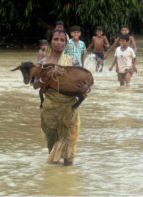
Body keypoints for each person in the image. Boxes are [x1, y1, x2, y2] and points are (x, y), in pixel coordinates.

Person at [40, 29, 80, 166]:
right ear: (50, 42)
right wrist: (49, 74)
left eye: (62, 40)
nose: (59, 42)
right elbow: (35, 85)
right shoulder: (43, 62)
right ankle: (53, 181)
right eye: (55, 39)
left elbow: (82, 82)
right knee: (52, 147)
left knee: (69, 149)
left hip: (69, 108)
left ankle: (68, 180)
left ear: (66, 43)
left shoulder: (72, 61)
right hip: (50, 109)